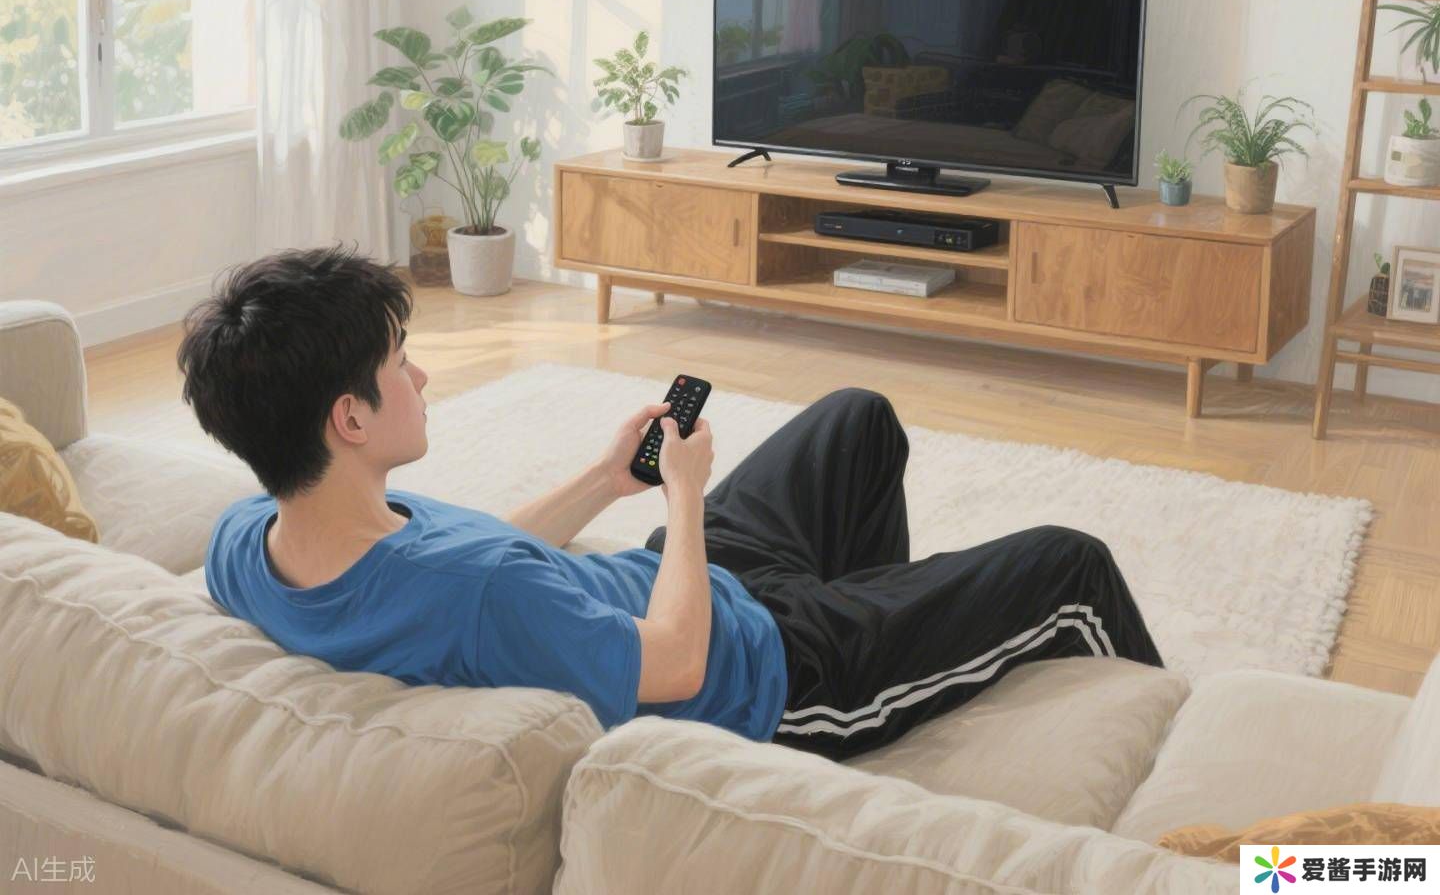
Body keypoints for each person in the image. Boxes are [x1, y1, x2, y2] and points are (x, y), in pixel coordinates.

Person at [187, 244, 1163, 764]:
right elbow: (675, 663)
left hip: (675, 577)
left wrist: (606, 480)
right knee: (1068, 561)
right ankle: (1166, 763)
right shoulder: (478, 593)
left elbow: (470, 553)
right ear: (349, 418)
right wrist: (686, 495)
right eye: (402, 364)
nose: (424, 376)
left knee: (855, 418)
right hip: (772, 670)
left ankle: (891, 616)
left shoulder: (249, 539)